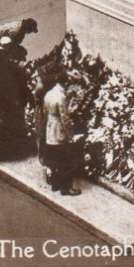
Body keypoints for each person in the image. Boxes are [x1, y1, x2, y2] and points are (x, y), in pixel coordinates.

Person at [0, 36, 33, 161]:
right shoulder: (9, 63)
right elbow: (19, 82)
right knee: (9, 125)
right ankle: (7, 151)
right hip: (8, 100)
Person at [36, 65, 84, 196]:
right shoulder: (61, 97)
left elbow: (45, 111)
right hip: (58, 130)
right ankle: (66, 187)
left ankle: (55, 184)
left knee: (54, 159)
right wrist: (71, 134)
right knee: (65, 161)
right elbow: (65, 119)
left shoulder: (49, 93)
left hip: (50, 128)